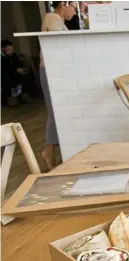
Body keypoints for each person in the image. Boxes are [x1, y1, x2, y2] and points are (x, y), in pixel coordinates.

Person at [39, 1, 77, 170]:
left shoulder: (57, 19)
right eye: (74, 7)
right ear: (64, 3)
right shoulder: (53, 18)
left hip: (53, 71)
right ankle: (48, 151)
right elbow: (59, 47)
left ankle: (52, 151)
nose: (75, 12)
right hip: (49, 71)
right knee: (55, 112)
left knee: (56, 112)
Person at [1, 40, 33, 106]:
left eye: (11, 49)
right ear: (2, 49)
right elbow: (4, 69)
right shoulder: (2, 58)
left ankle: (23, 95)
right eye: (8, 49)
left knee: (27, 75)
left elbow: (17, 64)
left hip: (15, 73)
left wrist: (20, 69)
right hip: (5, 75)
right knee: (7, 78)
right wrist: (15, 70)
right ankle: (10, 98)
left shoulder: (14, 55)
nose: (11, 51)